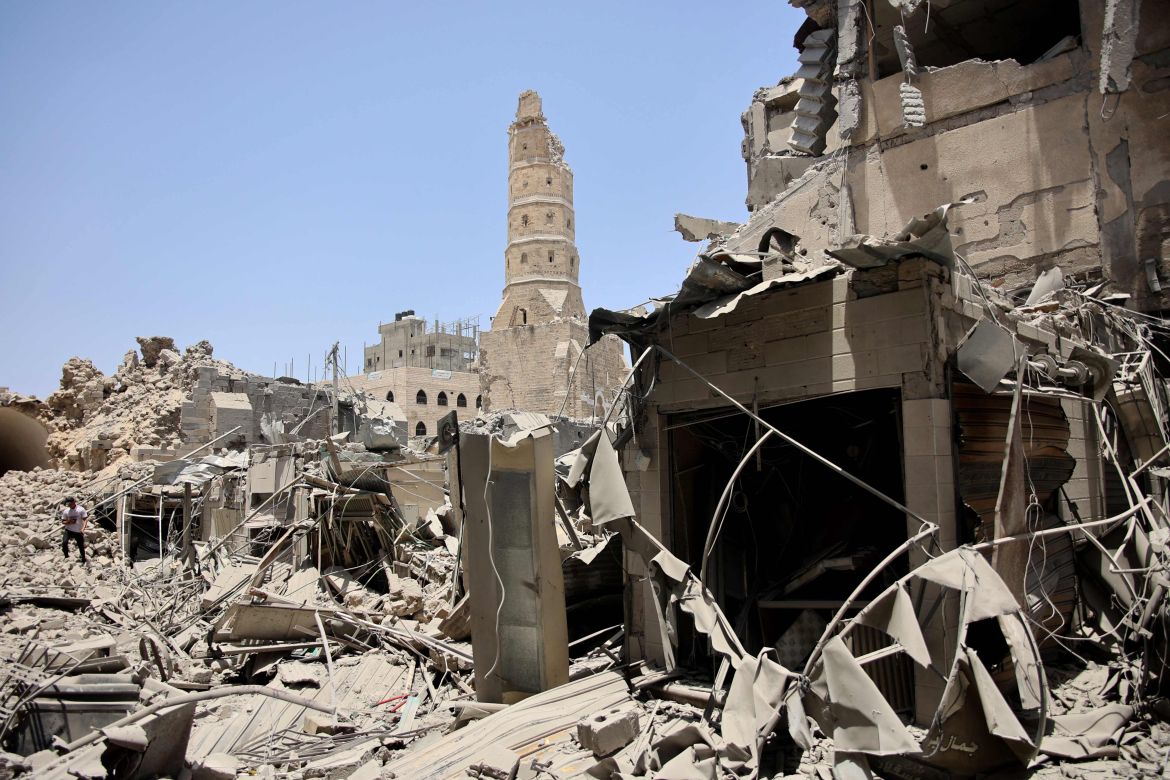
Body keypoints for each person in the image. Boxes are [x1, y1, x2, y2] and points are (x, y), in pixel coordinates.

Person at [60, 496, 88, 564]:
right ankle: (66, 556)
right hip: (68, 530)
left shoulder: (80, 510)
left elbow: (85, 520)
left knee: (80, 545)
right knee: (64, 542)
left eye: (70, 504)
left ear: (73, 502)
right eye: (68, 504)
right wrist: (69, 522)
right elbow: (63, 521)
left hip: (78, 531)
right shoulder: (66, 511)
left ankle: (83, 559)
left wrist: (83, 529)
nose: (69, 505)